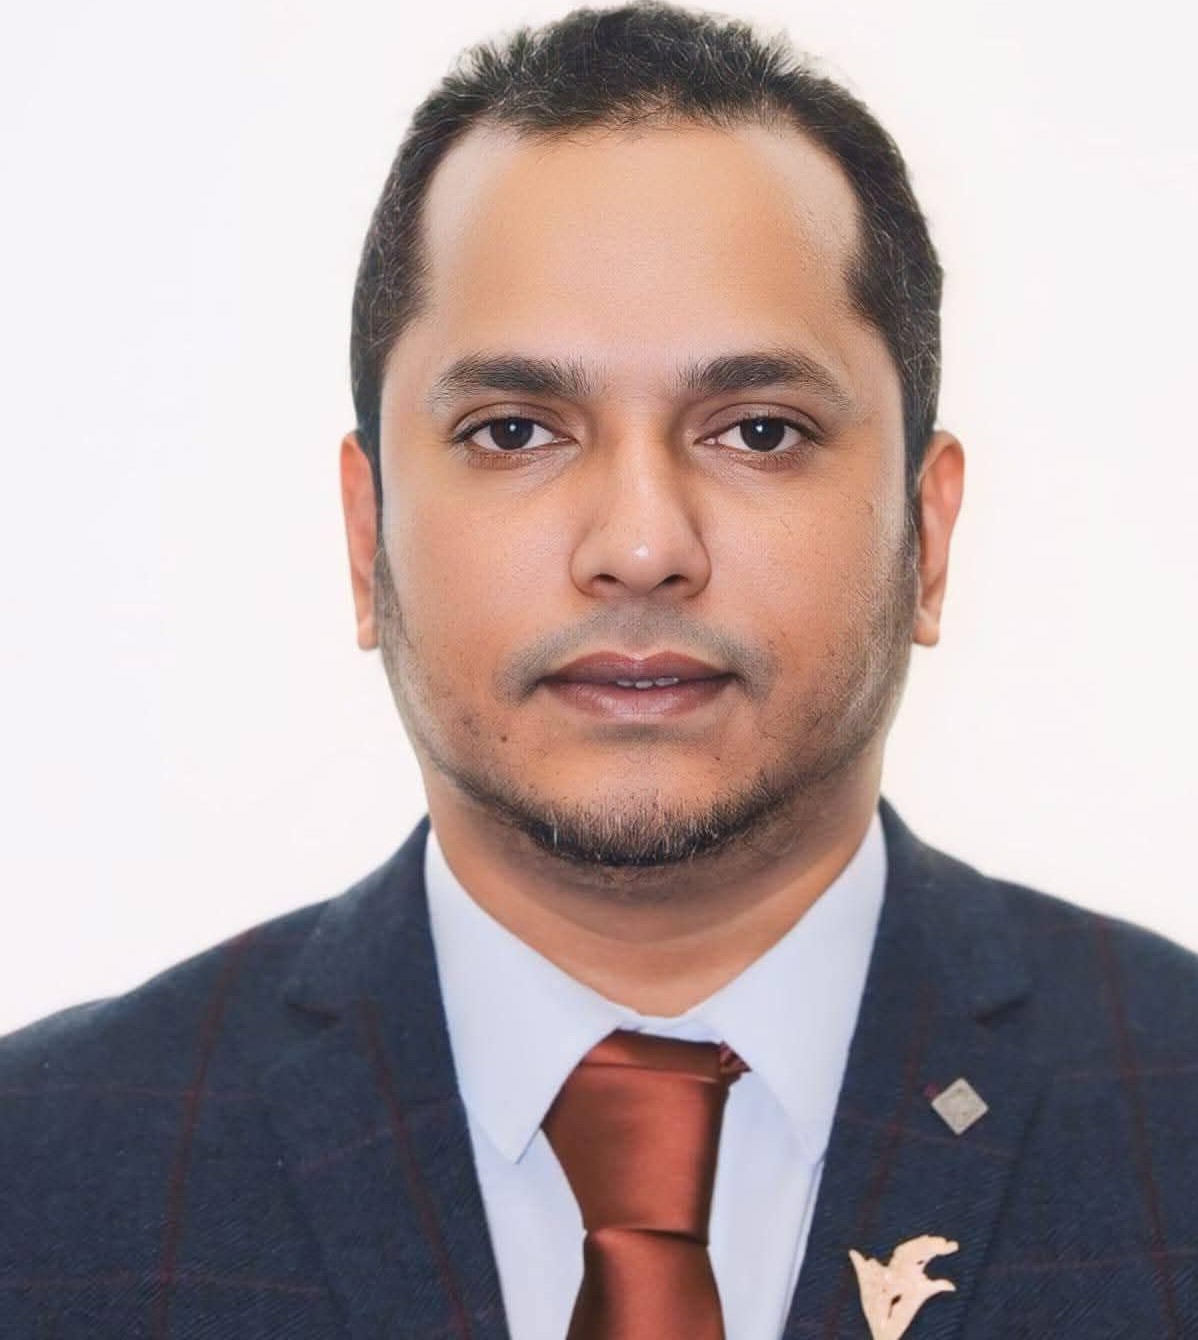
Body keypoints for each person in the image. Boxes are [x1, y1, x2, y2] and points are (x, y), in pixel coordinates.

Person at [1, 3, 1194, 1336]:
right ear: (366, 533)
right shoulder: (41, 1177)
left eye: (758, 430)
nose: (639, 547)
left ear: (927, 533)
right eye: (514, 431)